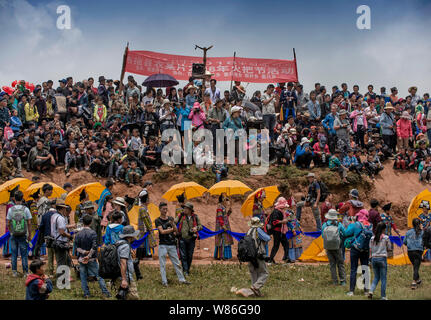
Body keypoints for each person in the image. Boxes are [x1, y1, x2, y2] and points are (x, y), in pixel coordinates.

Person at [74, 214, 111, 299]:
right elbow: (94, 247)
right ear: (90, 223)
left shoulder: (78, 234)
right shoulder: (93, 233)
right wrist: (89, 255)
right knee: (99, 276)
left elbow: (77, 248)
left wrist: (84, 252)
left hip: (81, 258)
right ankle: (105, 292)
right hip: (91, 259)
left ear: (83, 223)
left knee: (83, 277)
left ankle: (86, 294)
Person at [155, 202, 190, 287]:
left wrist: (173, 226)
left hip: (172, 244)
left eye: (166, 209)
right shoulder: (157, 220)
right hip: (163, 245)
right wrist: (172, 229)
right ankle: (164, 281)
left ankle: (182, 280)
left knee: (177, 263)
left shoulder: (170, 218)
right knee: (162, 264)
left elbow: (176, 230)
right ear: (160, 209)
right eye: (163, 209)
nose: (165, 210)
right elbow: (162, 232)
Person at [344, 209, 371, 296]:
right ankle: (366, 291)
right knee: (365, 269)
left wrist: (351, 224)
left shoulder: (355, 224)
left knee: (353, 269)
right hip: (366, 250)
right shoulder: (370, 225)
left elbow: (346, 233)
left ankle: (351, 291)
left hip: (355, 249)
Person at [7, 190, 32, 278]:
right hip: (23, 234)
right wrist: (29, 235)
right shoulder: (26, 209)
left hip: (13, 235)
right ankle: (25, 272)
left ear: (14, 199)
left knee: (14, 253)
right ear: (22, 198)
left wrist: (11, 232)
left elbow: (8, 222)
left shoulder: (10, 209)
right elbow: (29, 223)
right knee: (24, 254)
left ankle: (14, 272)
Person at [174, 202, 203, 276]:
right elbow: (174, 222)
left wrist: (196, 228)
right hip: (182, 239)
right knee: (183, 256)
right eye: (184, 208)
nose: (184, 209)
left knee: (190, 255)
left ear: (190, 210)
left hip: (191, 239)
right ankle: (185, 271)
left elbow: (200, 226)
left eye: (186, 208)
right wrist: (176, 231)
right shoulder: (181, 215)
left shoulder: (195, 217)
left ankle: (187, 269)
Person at [246, 217, 271, 297]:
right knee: (264, 273)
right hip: (258, 254)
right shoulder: (258, 230)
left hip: (250, 255)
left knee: (254, 273)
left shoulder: (249, 231)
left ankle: (255, 293)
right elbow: (267, 238)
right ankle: (255, 287)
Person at [322, 209, 346, 285]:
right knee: (340, 263)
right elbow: (345, 233)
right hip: (337, 246)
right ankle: (342, 281)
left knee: (332, 264)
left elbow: (323, 236)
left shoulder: (324, 225)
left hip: (328, 247)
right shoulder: (339, 224)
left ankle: (335, 281)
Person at [368, 222, 391, 300]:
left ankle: (371, 291)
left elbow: (370, 250)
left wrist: (370, 260)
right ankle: (383, 296)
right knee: (383, 278)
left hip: (374, 259)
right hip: (382, 258)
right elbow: (389, 248)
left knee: (376, 277)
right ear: (384, 229)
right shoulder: (386, 238)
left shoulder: (372, 238)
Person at [50, 198, 73, 277]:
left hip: (55, 240)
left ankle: (61, 279)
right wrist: (69, 235)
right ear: (62, 208)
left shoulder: (53, 216)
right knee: (61, 262)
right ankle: (61, 281)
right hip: (61, 242)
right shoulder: (61, 218)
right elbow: (62, 232)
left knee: (60, 261)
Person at [267, 197, 290, 264]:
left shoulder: (281, 211)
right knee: (276, 245)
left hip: (282, 231)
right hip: (277, 231)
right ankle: (271, 259)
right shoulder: (276, 212)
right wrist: (282, 221)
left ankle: (286, 258)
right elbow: (274, 222)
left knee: (286, 244)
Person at [403, 218, 424, 290]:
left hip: (410, 252)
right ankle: (414, 282)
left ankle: (418, 279)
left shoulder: (408, 232)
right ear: (419, 224)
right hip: (418, 251)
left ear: (412, 224)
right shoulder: (422, 232)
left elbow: (405, 242)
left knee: (415, 266)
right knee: (416, 267)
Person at [214, 193, 234, 260]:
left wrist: (229, 212)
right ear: (222, 200)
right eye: (226, 200)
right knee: (222, 240)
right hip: (221, 227)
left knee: (226, 240)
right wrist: (223, 225)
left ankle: (226, 256)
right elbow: (220, 217)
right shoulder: (219, 207)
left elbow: (225, 217)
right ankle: (222, 256)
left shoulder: (223, 207)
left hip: (225, 226)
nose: (227, 201)